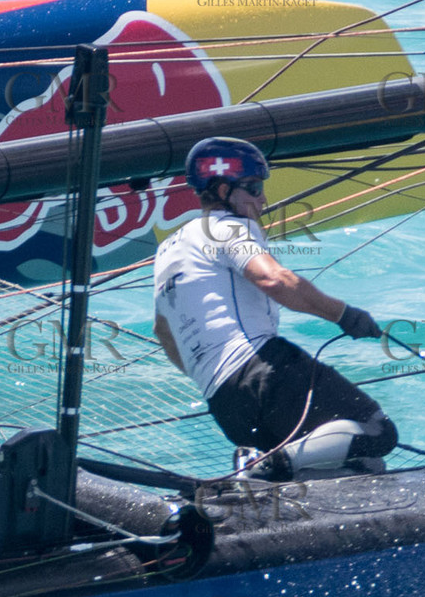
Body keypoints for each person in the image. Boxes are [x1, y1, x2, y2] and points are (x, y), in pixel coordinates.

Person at [153, 136, 397, 477]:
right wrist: (344, 315)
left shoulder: (167, 250)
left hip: (224, 403)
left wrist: (211, 377)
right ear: (223, 190)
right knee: (377, 432)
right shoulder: (226, 227)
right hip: (264, 371)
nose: (263, 199)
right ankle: (266, 462)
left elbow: (163, 333)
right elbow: (274, 280)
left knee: (358, 464)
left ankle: (263, 468)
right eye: (253, 188)